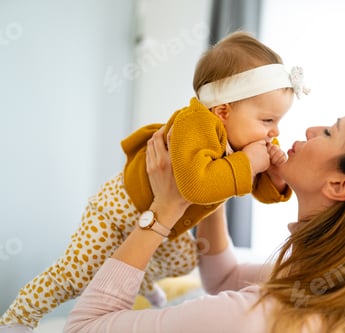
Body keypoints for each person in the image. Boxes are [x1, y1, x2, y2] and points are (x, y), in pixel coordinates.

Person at [0, 31, 309, 330]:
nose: (275, 132)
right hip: (117, 212)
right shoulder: (195, 123)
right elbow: (195, 187)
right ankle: (19, 316)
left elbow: (257, 189)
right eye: (268, 120)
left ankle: (143, 282)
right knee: (75, 274)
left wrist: (275, 177)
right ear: (224, 111)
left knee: (187, 258)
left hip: (164, 221)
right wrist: (248, 163)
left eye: (278, 121)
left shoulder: (246, 140)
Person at [63, 105, 345, 333]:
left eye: (328, 132)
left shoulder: (260, 319)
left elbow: (82, 328)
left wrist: (164, 210)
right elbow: (224, 278)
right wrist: (208, 186)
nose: (310, 128)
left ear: (340, 186)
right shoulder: (335, 295)